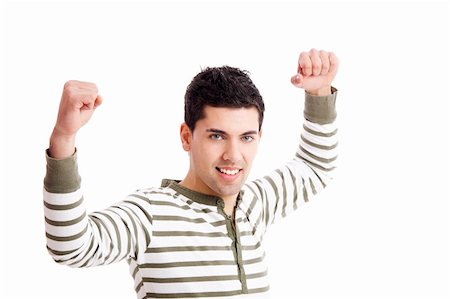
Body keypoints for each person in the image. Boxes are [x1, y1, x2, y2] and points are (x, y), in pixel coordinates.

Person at [43, 48, 339, 298]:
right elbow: (71, 246)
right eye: (217, 136)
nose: (233, 156)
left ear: (259, 138)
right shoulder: (150, 213)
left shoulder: (256, 203)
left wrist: (319, 92)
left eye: (246, 137)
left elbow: (315, 168)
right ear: (187, 137)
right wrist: (64, 138)